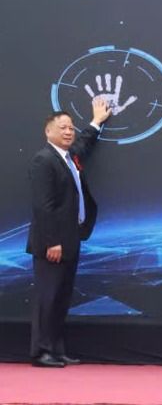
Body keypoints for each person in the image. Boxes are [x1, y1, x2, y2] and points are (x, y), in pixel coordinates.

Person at [26, 99, 111, 368]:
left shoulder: (69, 156)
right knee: (47, 298)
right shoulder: (44, 160)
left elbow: (83, 143)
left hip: (71, 239)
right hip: (51, 244)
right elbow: (43, 206)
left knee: (61, 299)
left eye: (71, 127)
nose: (68, 131)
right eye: (62, 127)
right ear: (48, 131)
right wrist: (52, 241)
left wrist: (96, 121)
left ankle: (56, 349)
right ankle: (41, 352)